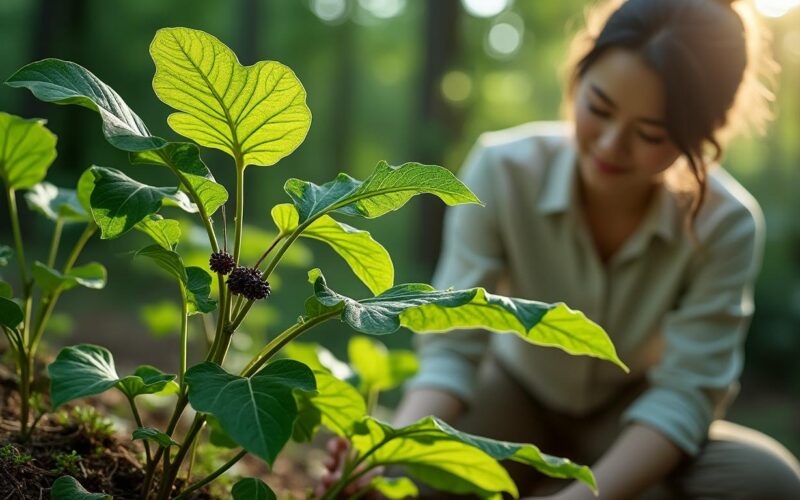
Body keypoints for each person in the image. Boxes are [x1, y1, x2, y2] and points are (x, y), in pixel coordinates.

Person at [320, 0, 800, 498]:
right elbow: (452, 350)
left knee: (767, 482)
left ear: (703, 134)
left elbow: (686, 395)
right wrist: (383, 456)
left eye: (649, 133)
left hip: (632, 424)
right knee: (399, 477)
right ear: (578, 74)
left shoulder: (725, 223)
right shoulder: (502, 171)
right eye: (599, 108)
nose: (611, 145)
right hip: (509, 400)